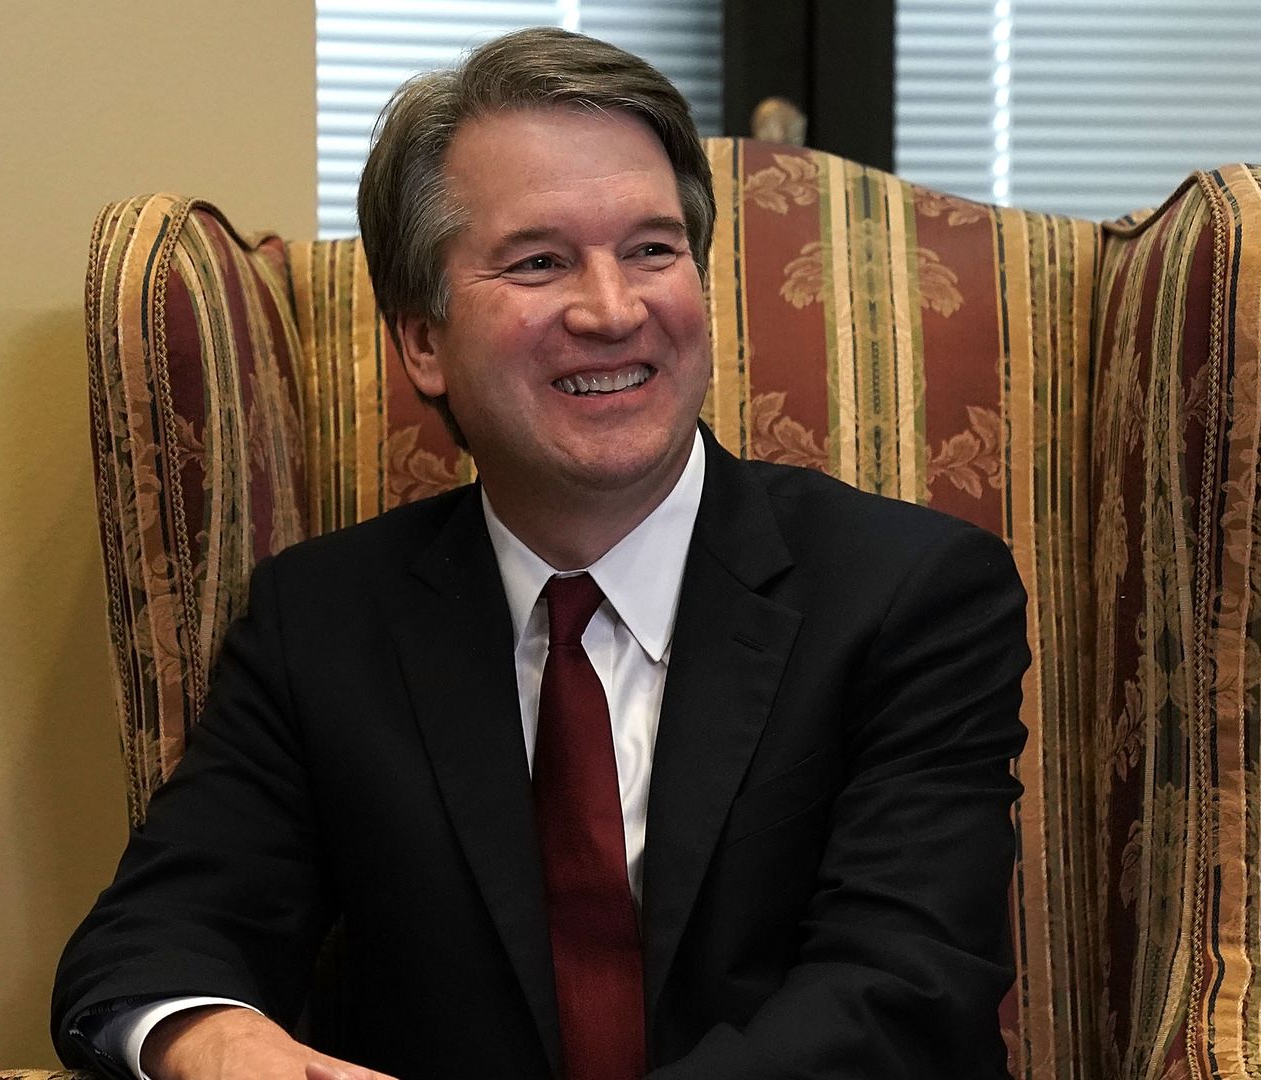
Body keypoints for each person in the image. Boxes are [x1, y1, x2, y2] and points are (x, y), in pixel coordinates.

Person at [52, 27, 1029, 1080]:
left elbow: (903, 991)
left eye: (653, 250)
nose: (613, 311)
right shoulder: (323, 622)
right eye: (538, 262)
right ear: (421, 343)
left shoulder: (910, 593)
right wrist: (218, 1038)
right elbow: (152, 940)